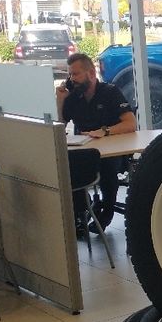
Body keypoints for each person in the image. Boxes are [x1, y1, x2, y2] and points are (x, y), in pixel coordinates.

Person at [57, 52, 136, 233]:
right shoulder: (74, 97)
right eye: (70, 74)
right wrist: (60, 102)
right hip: (84, 151)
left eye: (75, 74)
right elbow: (60, 126)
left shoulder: (110, 92)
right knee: (68, 167)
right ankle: (80, 213)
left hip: (112, 150)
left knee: (107, 167)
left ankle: (106, 212)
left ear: (91, 74)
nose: (72, 79)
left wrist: (104, 131)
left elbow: (130, 123)